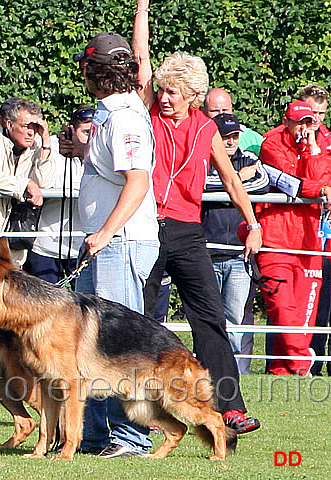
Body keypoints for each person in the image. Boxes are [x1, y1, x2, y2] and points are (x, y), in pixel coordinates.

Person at [133, 0, 262, 434]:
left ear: (193, 97)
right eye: (163, 90)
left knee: (210, 319)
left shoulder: (207, 129)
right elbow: (141, 60)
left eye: (174, 92)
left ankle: (232, 409)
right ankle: (148, 412)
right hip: (148, 228)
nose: (165, 98)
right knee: (142, 318)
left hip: (188, 232)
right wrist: (142, 10)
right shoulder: (148, 114)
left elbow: (231, 180)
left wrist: (253, 223)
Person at [71, 33, 159, 458]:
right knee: (89, 342)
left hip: (119, 243)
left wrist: (105, 233)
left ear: (93, 71)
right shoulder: (115, 113)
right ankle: (95, 435)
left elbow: (138, 181)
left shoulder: (123, 118)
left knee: (116, 343)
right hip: (107, 243)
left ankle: (132, 437)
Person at [254, 100, 331, 376]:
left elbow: (323, 177)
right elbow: (292, 182)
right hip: (275, 236)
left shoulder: (318, 145)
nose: (303, 128)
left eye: (308, 122)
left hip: (309, 240)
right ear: (285, 122)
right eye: (298, 122)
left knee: (304, 311)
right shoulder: (271, 143)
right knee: (281, 305)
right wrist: (320, 188)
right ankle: (301, 363)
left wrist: (312, 150)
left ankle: (282, 368)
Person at [202, 113, 270, 375]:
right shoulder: (203, 159)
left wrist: (233, 182)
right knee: (208, 319)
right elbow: (198, 185)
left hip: (239, 255)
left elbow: (263, 183)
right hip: (206, 252)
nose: (230, 141)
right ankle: (208, 371)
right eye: (225, 136)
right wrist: (236, 180)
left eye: (234, 136)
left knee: (235, 318)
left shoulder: (250, 159)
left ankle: (236, 373)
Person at [0, 97, 55, 265]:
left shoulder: (37, 145)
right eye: (26, 126)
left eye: (36, 127)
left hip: (15, 237)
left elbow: (44, 184)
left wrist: (46, 143)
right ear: (9, 124)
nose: (31, 132)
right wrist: (25, 184)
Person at [23, 106, 93, 283]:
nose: (90, 139)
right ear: (70, 131)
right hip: (45, 245)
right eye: (85, 132)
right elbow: (43, 182)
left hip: (82, 247)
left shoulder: (100, 152)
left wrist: (84, 154)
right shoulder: (51, 146)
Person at [264, 84, 330, 153]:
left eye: (321, 113)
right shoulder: (272, 139)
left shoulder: (328, 139)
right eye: (313, 112)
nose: (316, 119)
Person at [202, 88, 265, 155]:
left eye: (225, 110)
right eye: (215, 111)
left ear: (231, 109)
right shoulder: (198, 137)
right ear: (203, 111)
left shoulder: (252, 138)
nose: (221, 114)